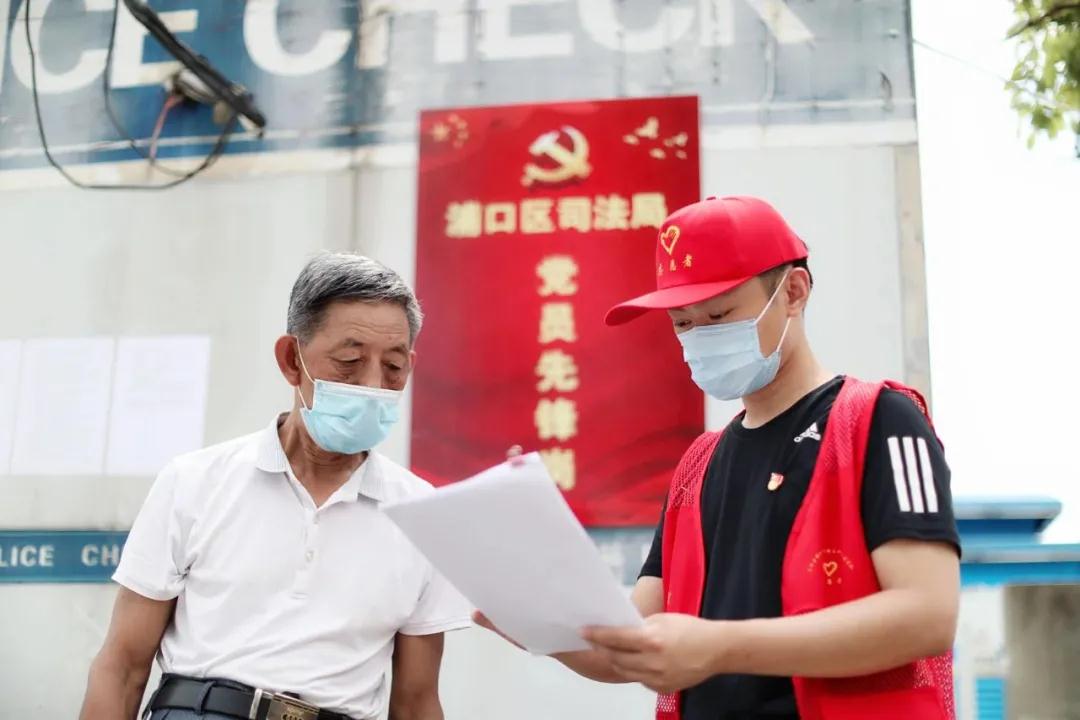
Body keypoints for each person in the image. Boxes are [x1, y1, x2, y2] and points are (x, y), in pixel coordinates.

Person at [477, 196, 960, 720]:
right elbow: (632, 643)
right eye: (683, 323)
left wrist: (723, 647)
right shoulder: (697, 466)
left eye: (718, 315)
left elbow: (927, 615)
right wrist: (538, 624)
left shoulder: (879, 420)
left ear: (793, 291)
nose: (701, 337)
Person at [81, 253, 470, 720]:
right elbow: (122, 668)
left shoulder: (421, 515)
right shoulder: (195, 482)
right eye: (349, 361)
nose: (372, 385)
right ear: (291, 360)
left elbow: (416, 701)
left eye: (393, 367)